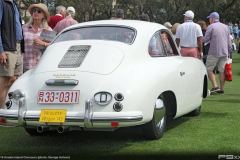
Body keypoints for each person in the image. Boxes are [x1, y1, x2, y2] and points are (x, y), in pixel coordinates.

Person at [0, 0, 23, 109]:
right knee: (4, 82)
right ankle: (1, 114)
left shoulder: (14, 5)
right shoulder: (2, 3)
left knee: (13, 81)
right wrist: (1, 50)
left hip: (17, 46)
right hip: (7, 47)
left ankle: (8, 113)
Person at [202, 12, 232, 94]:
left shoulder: (211, 27)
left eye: (209, 18)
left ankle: (215, 86)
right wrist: (229, 51)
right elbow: (229, 41)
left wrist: (200, 37)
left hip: (214, 51)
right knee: (222, 70)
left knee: (208, 68)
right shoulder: (226, 27)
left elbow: (205, 39)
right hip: (224, 52)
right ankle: (222, 88)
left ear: (212, 18)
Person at [22, 3, 52, 73]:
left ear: (44, 15)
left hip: (41, 65)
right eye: (34, 10)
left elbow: (53, 46)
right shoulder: (24, 28)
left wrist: (43, 44)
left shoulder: (47, 30)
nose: (36, 12)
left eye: (39, 11)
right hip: (26, 64)